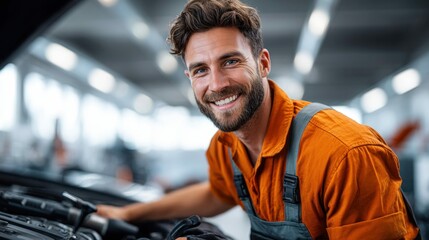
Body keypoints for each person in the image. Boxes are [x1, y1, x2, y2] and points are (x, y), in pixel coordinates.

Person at [97, 0, 421, 239]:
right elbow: (216, 192)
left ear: (263, 63)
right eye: (200, 70)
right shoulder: (226, 144)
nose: (217, 84)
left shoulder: (343, 155)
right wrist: (128, 213)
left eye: (231, 61)